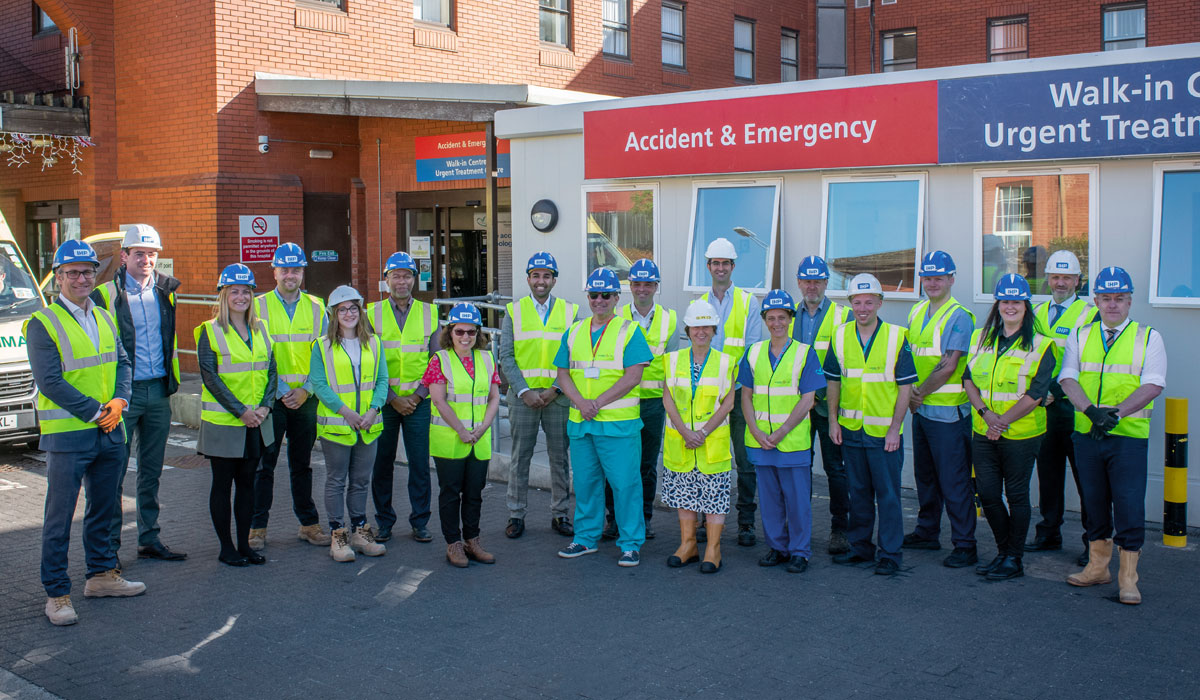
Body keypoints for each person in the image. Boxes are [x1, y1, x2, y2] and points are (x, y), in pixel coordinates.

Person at [27, 240, 143, 626]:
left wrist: (120, 403)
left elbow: (124, 363)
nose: (81, 278)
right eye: (72, 272)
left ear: (96, 275)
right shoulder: (42, 322)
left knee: (105, 508)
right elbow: (50, 381)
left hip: (110, 431)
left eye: (87, 271)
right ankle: (57, 593)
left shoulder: (105, 317)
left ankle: (101, 576)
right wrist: (97, 412)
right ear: (58, 277)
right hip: (70, 435)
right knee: (59, 517)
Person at [1060, 266, 1165, 605]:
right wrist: (1090, 411)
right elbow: (1068, 378)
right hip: (1086, 434)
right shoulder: (1080, 335)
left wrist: (1116, 413)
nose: (1113, 304)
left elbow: (1153, 384)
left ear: (1130, 301)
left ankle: (1128, 578)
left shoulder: (1148, 337)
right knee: (1093, 503)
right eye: (1106, 298)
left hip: (1128, 436)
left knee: (1129, 505)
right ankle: (1097, 567)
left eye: (1119, 298)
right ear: (1096, 301)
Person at [92, 224, 185, 563]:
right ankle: (109, 549)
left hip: (159, 391)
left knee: (151, 471)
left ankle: (148, 538)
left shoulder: (165, 291)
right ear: (124, 256)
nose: (146, 259)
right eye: (140, 253)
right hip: (123, 396)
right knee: (113, 472)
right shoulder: (104, 295)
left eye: (152, 254)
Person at [555, 268, 652, 567]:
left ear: (616, 297)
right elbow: (562, 374)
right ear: (588, 296)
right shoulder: (573, 331)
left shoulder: (630, 330)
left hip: (618, 426)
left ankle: (630, 543)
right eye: (594, 295)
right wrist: (582, 403)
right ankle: (585, 539)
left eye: (605, 295)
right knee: (585, 484)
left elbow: (634, 375)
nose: (599, 300)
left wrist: (596, 402)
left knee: (625, 485)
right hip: (583, 425)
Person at [963, 274, 1056, 581]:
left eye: (1016, 301)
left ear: (1026, 306)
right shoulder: (979, 338)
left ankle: (1013, 558)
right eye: (1005, 301)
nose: (1010, 307)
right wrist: (986, 414)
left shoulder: (1043, 345)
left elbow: (1037, 394)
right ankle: (1005, 552)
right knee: (988, 494)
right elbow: (968, 380)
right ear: (998, 305)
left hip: (1022, 434)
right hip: (984, 429)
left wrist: (1001, 422)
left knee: (1016, 496)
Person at [826, 274, 917, 576]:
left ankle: (890, 553)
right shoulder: (839, 335)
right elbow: (834, 382)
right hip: (851, 429)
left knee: (888, 495)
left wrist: (895, 428)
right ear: (850, 303)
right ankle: (860, 548)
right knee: (859, 492)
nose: (862, 308)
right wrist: (833, 421)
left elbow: (905, 387)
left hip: (883, 434)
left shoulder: (896, 336)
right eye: (857, 302)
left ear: (880, 302)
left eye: (868, 302)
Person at [195, 264, 276, 567]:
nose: (241, 297)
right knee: (222, 485)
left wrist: (265, 407)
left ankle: (245, 545)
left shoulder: (262, 328)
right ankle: (226, 547)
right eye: (234, 292)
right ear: (223, 295)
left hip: (256, 421)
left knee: (247, 485)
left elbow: (271, 370)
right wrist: (241, 412)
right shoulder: (209, 330)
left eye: (246, 291)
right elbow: (210, 378)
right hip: (226, 424)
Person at [249, 242, 329, 551]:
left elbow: (323, 356)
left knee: (303, 463)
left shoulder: (318, 306)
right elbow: (258, 354)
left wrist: (306, 389)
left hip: (306, 398)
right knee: (264, 464)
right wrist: (283, 392)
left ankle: (308, 524)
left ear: (303, 272)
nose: (290, 275)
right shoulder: (258, 306)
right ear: (275, 271)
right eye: (285, 269)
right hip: (273, 400)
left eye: (296, 269)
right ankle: (257, 527)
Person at [739, 289, 824, 574]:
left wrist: (782, 431)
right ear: (765, 320)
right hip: (761, 441)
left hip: (792, 442)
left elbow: (808, 399)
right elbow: (746, 397)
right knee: (771, 500)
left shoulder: (805, 353)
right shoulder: (752, 353)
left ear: (790, 319)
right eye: (771, 318)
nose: (776, 323)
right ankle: (777, 547)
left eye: (782, 317)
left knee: (797, 501)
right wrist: (756, 430)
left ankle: (800, 551)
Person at [904, 250, 979, 569]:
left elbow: (949, 365)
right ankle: (927, 531)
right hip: (921, 411)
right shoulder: (918, 310)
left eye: (938, 277)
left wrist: (917, 393)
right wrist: (912, 396)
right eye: (927, 277)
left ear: (951, 279)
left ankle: (965, 544)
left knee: (954, 481)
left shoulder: (959, 315)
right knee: (926, 477)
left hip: (948, 413)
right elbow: (910, 356)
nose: (932, 283)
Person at [1027, 250, 1098, 566]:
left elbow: (1088, 361)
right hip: (1045, 408)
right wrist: (1041, 393)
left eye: (1067, 277)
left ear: (1077, 281)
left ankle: (1092, 543)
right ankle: (1048, 533)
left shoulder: (1090, 313)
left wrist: (1054, 391)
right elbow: (1030, 356)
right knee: (1049, 474)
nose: (1060, 282)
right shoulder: (1037, 311)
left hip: (1075, 408)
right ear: (1048, 278)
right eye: (1055, 276)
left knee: (1087, 479)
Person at [499, 252, 577, 539]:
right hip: (524, 399)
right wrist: (523, 390)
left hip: (557, 398)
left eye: (546, 275)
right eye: (536, 275)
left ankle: (560, 515)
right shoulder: (514, 311)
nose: (541, 281)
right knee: (520, 458)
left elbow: (575, 356)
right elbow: (505, 355)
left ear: (554, 279)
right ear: (528, 278)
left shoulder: (570, 311)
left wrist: (555, 389)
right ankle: (516, 514)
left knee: (559, 458)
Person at [311, 285, 389, 562]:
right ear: (334, 314)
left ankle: (360, 530)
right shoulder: (322, 346)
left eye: (353, 308)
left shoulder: (374, 343)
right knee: (336, 480)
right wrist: (346, 412)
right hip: (338, 426)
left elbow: (382, 381)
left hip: (368, 425)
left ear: (360, 310)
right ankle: (338, 534)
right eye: (342, 309)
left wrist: (373, 410)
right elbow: (319, 384)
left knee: (360, 481)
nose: (348, 313)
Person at [369, 251, 440, 543]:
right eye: (396, 275)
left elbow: (436, 361)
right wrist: (391, 398)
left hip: (418, 403)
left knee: (420, 464)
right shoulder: (370, 314)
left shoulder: (430, 313)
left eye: (407, 275)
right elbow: (367, 362)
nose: (401, 280)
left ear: (414, 279)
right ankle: (384, 521)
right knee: (381, 463)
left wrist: (419, 395)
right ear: (386, 279)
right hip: (385, 402)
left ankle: (419, 521)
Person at [661, 300, 736, 573]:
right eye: (695, 327)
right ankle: (688, 545)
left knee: (714, 497)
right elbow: (667, 398)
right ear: (688, 330)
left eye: (706, 326)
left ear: (714, 330)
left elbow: (728, 403)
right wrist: (685, 432)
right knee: (684, 494)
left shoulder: (726, 361)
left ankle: (713, 549)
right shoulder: (671, 360)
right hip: (681, 441)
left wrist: (702, 432)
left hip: (711, 443)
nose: (700, 331)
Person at [606, 258, 678, 541]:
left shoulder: (669, 319)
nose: (642, 289)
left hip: (652, 404)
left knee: (646, 465)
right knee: (617, 464)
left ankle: (644, 518)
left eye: (648, 283)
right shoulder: (617, 314)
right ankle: (614, 520)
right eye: (637, 283)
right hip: (621, 402)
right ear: (630, 286)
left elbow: (672, 368)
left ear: (656, 287)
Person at [425, 303, 501, 568]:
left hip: (478, 440)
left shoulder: (487, 358)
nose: (466, 337)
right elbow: (439, 401)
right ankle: (453, 543)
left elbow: (493, 398)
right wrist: (462, 431)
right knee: (450, 493)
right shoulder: (440, 360)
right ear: (450, 331)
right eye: (460, 332)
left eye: (471, 332)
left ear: (478, 333)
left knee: (474, 493)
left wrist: (482, 428)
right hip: (450, 439)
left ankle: (472, 539)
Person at [698, 236, 762, 547]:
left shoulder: (749, 302)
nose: (720, 268)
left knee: (746, 462)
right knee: (707, 460)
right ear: (708, 266)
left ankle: (746, 522)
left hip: (737, 396)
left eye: (725, 263)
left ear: (733, 266)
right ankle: (703, 518)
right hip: (707, 397)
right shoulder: (699, 303)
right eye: (715, 263)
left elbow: (750, 352)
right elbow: (696, 350)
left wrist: (734, 392)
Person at [791, 255, 852, 554]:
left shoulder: (845, 316)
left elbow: (848, 364)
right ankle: (798, 530)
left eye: (817, 280)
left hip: (829, 408)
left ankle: (840, 529)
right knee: (798, 468)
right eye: (806, 280)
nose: (812, 286)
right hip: (798, 407)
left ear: (827, 283)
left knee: (835, 470)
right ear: (799, 283)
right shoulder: (789, 315)